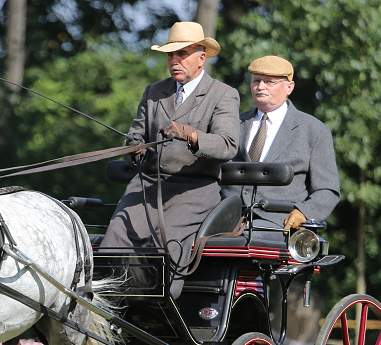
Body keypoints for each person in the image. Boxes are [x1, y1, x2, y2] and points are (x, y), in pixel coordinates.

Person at [99, 21, 240, 297]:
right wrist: (134, 149)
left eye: (182, 54)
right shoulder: (154, 92)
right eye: (170, 55)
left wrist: (191, 135)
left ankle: (158, 310)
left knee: (164, 245)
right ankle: (111, 305)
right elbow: (134, 135)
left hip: (194, 189)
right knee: (113, 238)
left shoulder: (222, 94)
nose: (174, 61)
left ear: (201, 58)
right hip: (147, 185)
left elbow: (228, 145)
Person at [221, 56, 340, 240]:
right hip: (227, 222)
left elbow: (327, 190)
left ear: (289, 87)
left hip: (280, 226)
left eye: (269, 82)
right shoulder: (233, 125)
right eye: (256, 81)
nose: (260, 87)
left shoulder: (313, 130)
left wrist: (305, 212)